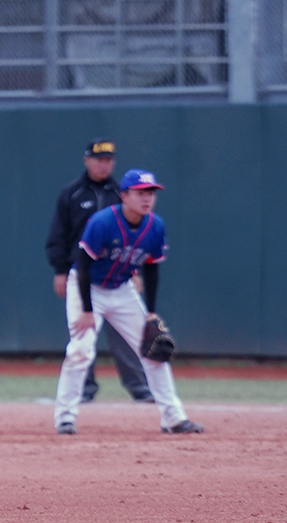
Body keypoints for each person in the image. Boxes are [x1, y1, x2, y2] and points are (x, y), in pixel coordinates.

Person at [52, 168, 204, 435]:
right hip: (87, 287)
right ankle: (65, 417)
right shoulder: (102, 222)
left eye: (151, 193)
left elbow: (152, 268)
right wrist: (87, 311)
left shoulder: (155, 226)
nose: (147, 198)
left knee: (154, 351)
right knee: (81, 350)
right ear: (124, 196)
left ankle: (174, 418)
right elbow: (84, 266)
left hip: (122, 290)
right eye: (140, 193)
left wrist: (151, 313)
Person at [46, 139, 153, 404]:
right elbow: (59, 234)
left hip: (118, 276)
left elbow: (137, 237)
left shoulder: (122, 194)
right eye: (98, 159)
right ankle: (84, 389)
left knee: (126, 337)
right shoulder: (71, 193)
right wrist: (60, 270)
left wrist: (136, 270)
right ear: (87, 160)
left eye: (108, 160)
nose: (104, 164)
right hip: (81, 275)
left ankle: (139, 387)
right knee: (83, 336)